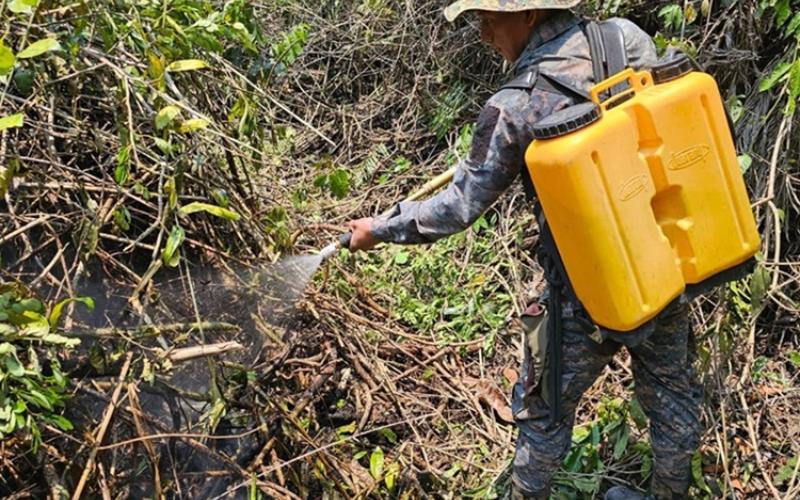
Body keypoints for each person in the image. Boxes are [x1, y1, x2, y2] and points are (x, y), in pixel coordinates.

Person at [344, 1, 702, 498]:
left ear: (529, 15)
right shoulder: (626, 40)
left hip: (582, 290)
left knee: (541, 409)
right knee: (672, 393)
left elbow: (458, 207)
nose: (483, 34)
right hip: (662, 258)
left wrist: (380, 228)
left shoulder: (514, 105)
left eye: (489, 19)